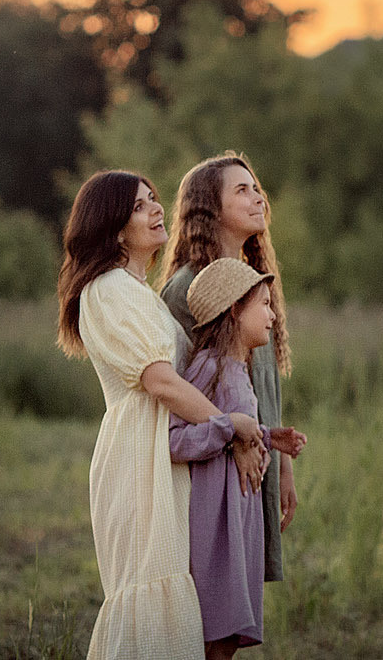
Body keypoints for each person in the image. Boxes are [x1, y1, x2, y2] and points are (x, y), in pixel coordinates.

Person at [55, 169, 270, 660]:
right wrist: (230, 427)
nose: (156, 209)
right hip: (138, 457)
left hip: (164, 455)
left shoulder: (139, 294)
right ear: (112, 228)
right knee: (151, 597)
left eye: (155, 199)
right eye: (139, 205)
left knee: (176, 606)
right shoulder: (107, 289)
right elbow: (160, 381)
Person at [160, 153, 297, 587]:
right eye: (242, 190)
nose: (259, 198)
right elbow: (178, 390)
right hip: (214, 470)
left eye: (256, 188)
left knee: (236, 611)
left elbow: (263, 386)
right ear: (210, 209)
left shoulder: (255, 283)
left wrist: (281, 462)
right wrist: (233, 435)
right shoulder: (186, 290)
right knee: (211, 605)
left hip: (254, 458)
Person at [169, 259, 307, 659]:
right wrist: (232, 428)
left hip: (240, 519)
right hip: (216, 522)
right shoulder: (207, 368)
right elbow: (176, 440)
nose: (273, 314)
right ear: (234, 309)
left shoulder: (238, 369)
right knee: (216, 634)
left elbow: (237, 429)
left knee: (228, 639)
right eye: (264, 304)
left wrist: (270, 438)